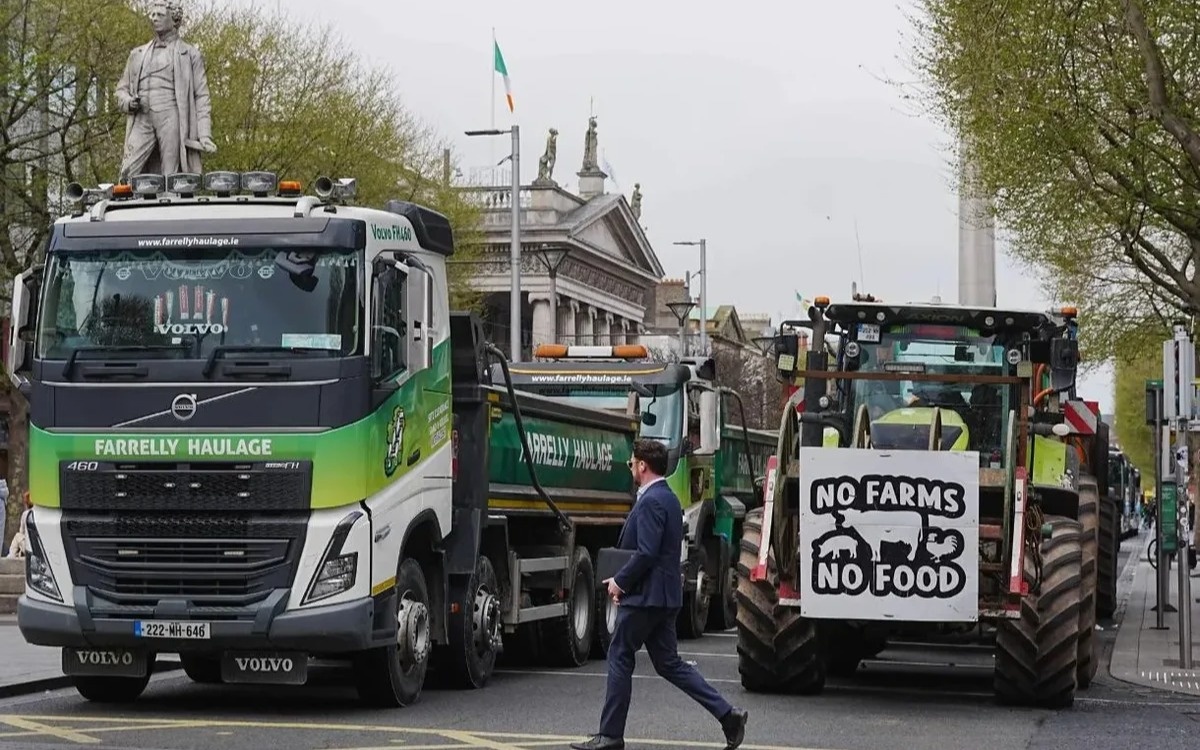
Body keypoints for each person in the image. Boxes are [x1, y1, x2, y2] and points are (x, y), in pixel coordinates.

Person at [571, 439, 748, 750]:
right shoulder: (668, 498)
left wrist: (621, 582)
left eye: (632, 463)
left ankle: (610, 735)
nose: (630, 468)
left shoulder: (652, 501)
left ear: (642, 465)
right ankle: (727, 715)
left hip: (646, 598)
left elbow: (647, 552)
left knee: (619, 655)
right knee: (669, 663)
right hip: (663, 596)